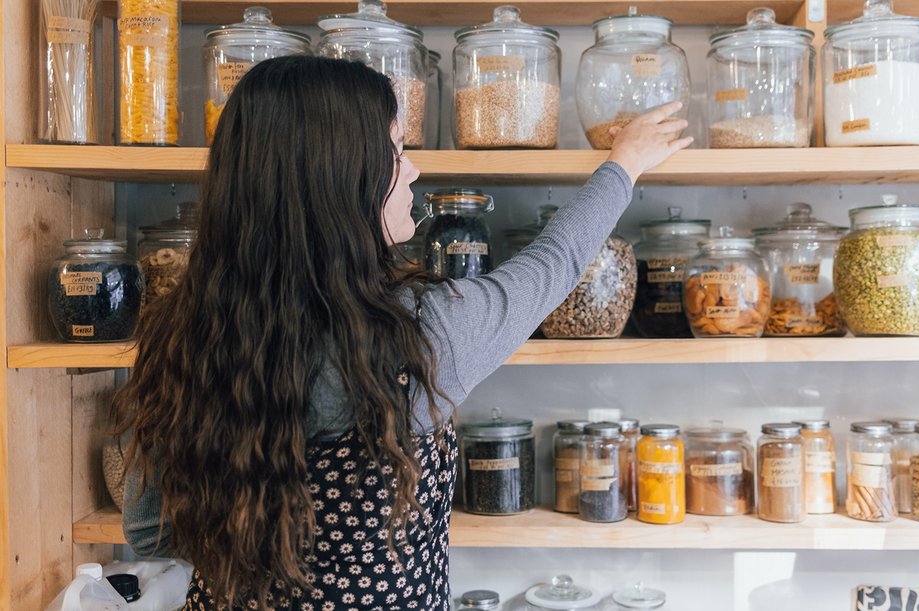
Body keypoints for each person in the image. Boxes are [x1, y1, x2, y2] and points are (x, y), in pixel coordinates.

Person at [111, 55, 690, 611]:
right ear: (341, 180)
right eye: (395, 151)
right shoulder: (419, 335)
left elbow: (148, 534)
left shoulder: (179, 332)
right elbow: (553, 265)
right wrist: (624, 165)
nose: (412, 168)